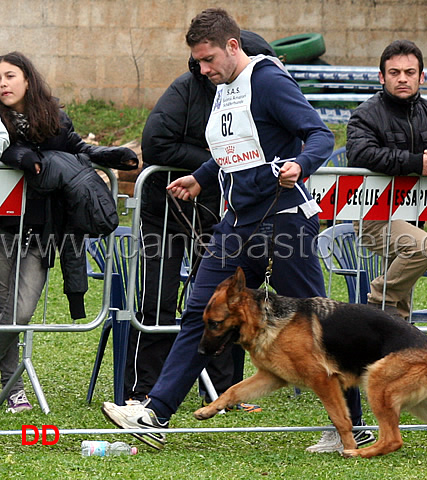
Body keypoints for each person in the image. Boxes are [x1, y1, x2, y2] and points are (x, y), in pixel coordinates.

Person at [101, 8, 373, 453]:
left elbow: (320, 134)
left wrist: (300, 165)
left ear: (232, 46)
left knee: (316, 324)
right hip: (238, 222)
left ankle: (352, 424)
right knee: (200, 311)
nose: (202, 69)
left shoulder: (268, 80)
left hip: (286, 219)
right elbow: (235, 148)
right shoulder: (223, 88)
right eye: (198, 61)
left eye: (208, 59)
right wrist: (202, 177)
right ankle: (155, 414)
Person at [125, 30, 276, 410]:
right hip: (167, 211)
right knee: (158, 302)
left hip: (221, 214)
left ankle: (225, 392)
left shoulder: (252, 93)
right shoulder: (186, 88)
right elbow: (156, 143)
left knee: (223, 305)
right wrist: (219, 158)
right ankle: (143, 389)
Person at [0, 52, 138, 412]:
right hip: (1, 230)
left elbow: (76, 148)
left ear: (27, 79)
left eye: (10, 75)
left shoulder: (54, 118)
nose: (3, 83)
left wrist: (107, 154)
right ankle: (13, 388)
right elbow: (8, 151)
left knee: (20, 313)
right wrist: (18, 155)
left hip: (39, 234)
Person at [346, 40, 427, 320]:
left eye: (410, 72)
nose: (402, 78)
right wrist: (417, 162)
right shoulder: (365, 114)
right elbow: (360, 153)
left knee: (401, 313)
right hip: (373, 215)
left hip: (414, 214)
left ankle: (388, 341)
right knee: (425, 247)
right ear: (382, 77)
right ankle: (376, 303)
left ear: (421, 76)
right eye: (394, 72)